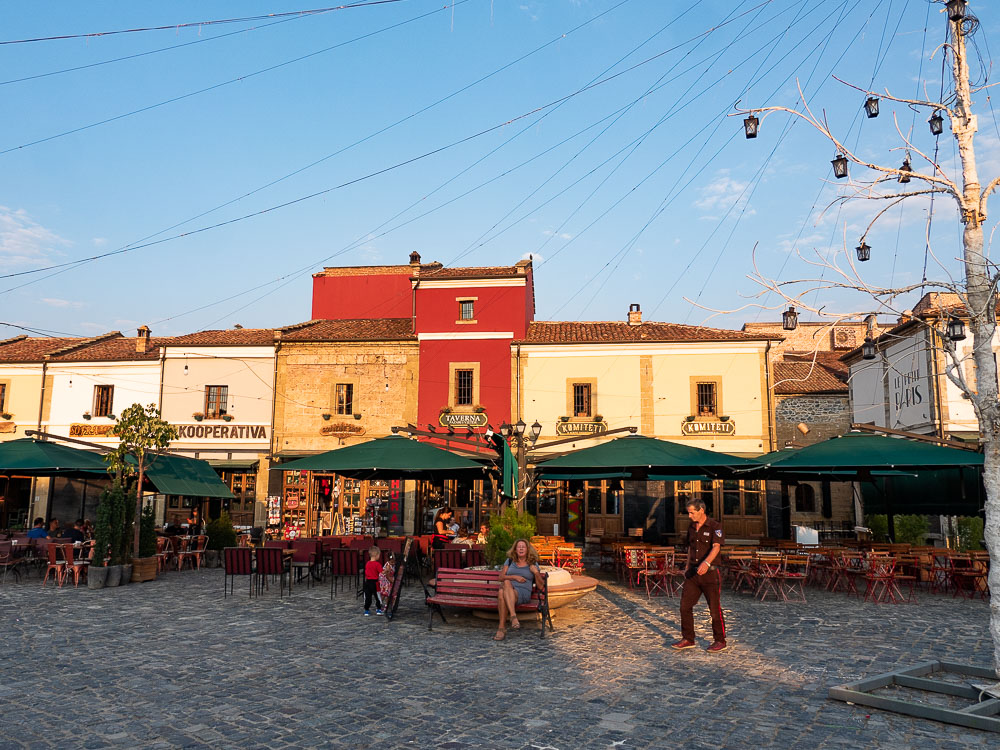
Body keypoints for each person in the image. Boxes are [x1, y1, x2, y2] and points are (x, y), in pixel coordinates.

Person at [672, 499, 727, 653]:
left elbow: (716, 547)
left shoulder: (715, 526)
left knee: (714, 609)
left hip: (710, 574)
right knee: (685, 606)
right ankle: (688, 638)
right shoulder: (691, 527)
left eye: (692, 512)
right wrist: (687, 566)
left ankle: (720, 640)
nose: (689, 516)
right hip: (693, 574)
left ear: (701, 510)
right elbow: (690, 548)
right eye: (688, 512)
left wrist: (707, 563)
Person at [494, 538, 544, 641]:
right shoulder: (510, 561)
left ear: (527, 549)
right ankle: (513, 617)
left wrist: (536, 573)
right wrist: (514, 577)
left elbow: (540, 586)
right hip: (509, 589)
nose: (521, 549)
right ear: (515, 549)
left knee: (501, 592)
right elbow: (500, 577)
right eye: (519, 547)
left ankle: (502, 628)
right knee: (504, 587)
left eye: (523, 547)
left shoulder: (532, 563)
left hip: (523, 592)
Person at [363, 546, 383, 616]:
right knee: (377, 596)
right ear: (377, 555)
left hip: (367, 582)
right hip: (375, 582)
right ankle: (378, 609)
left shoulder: (367, 563)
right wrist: (386, 571)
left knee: (368, 597)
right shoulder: (377, 564)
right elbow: (382, 572)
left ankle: (366, 609)